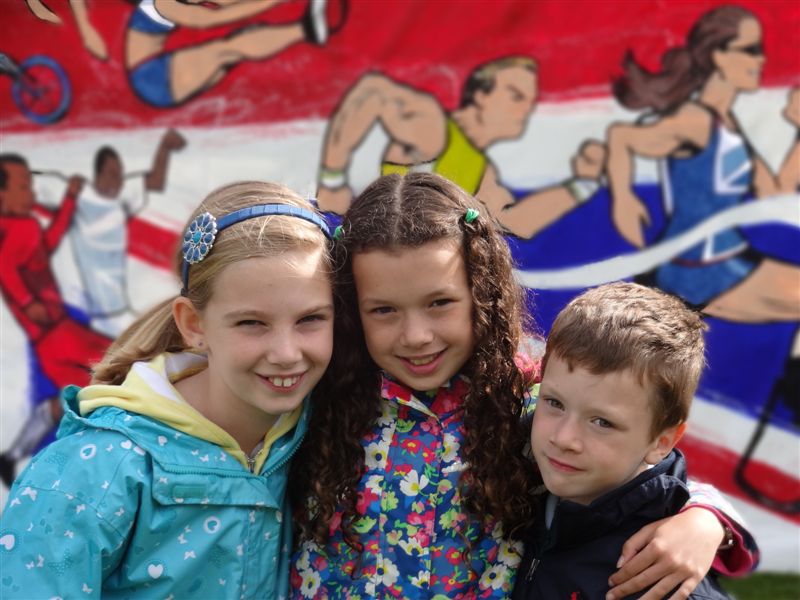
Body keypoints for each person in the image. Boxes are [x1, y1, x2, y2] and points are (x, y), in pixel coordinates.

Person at [289, 173, 756, 599]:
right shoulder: (320, 397)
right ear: (352, 308)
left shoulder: (531, 400)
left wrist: (705, 520)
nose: (416, 335)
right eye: (384, 310)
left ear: (482, 292)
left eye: (439, 303)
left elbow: (646, 471)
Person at [0, 181, 335, 599]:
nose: (287, 353)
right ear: (194, 325)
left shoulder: (319, 429)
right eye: (251, 323)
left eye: (311, 319)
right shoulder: (98, 469)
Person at [605, 4, 800, 498]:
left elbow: (776, 189)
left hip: (727, 261)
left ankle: (773, 453)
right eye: (749, 50)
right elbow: (623, 137)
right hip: (698, 270)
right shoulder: (694, 119)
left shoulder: (729, 123)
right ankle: (774, 458)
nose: (760, 59)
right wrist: (624, 197)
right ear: (718, 56)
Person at [512, 282, 756, 600]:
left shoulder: (664, 579)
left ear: (662, 441)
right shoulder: (515, 464)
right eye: (555, 403)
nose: (563, 438)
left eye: (602, 422)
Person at [316, 58, 606, 238]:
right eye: (516, 95)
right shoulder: (435, 129)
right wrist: (332, 178)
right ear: (480, 94)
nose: (525, 110)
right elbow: (373, 90)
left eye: (530, 101)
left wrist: (584, 184)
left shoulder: (481, 168)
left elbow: (515, 221)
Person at [0, 154, 111, 487]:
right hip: (53, 336)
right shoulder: (11, 231)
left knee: (83, 391)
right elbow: (5, 267)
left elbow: (49, 243)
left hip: (60, 330)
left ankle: (12, 454)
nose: (30, 193)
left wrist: (69, 199)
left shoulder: (27, 225)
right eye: (22, 187)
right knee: (107, 376)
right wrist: (27, 300)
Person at [70, 128, 186, 336]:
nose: (118, 181)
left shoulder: (120, 198)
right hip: (102, 316)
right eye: (112, 174)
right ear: (99, 175)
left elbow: (154, 181)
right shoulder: (81, 198)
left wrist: (165, 148)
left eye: (120, 175)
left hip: (120, 312)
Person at [125, 0, 335, 108]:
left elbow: (222, 2)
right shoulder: (162, 3)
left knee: (235, 46)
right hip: (150, 75)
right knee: (227, 49)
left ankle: (306, 29)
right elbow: (211, 18)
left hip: (158, 71)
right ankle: (305, 29)